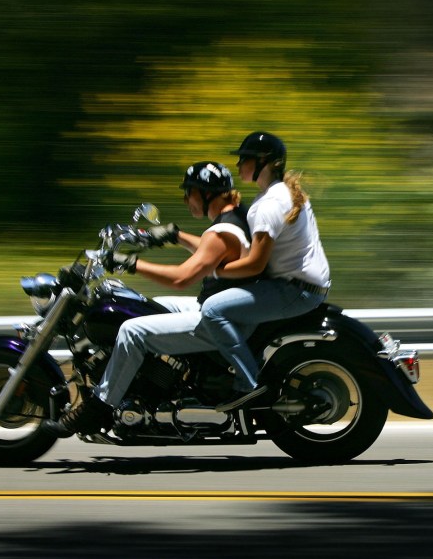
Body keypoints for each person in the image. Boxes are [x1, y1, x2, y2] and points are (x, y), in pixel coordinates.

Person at [44, 161, 254, 437]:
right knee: (149, 305)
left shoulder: (223, 232)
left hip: (220, 321)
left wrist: (130, 263)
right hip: (220, 307)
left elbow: (182, 278)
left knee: (132, 330)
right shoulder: (234, 219)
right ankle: (148, 383)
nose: (185, 199)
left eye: (188, 192)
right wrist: (173, 235)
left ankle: (100, 407)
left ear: (205, 193)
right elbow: (208, 250)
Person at [196, 131, 331, 411]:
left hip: (293, 290)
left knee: (213, 310)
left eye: (244, 159)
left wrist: (215, 271)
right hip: (305, 287)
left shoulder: (267, 205)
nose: (238, 165)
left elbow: (255, 264)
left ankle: (249, 383)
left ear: (264, 162)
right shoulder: (285, 194)